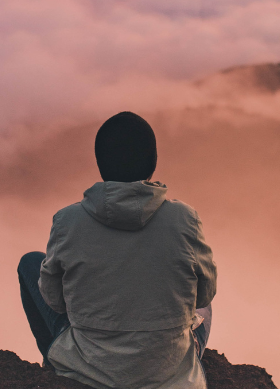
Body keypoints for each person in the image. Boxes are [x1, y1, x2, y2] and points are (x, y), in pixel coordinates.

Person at [17, 111, 217, 388]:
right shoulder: (185, 219)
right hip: (168, 373)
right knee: (204, 300)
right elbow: (204, 295)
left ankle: (54, 363)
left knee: (30, 262)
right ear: (153, 162)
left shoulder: (67, 221)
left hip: (91, 366)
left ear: (101, 164)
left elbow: (54, 300)